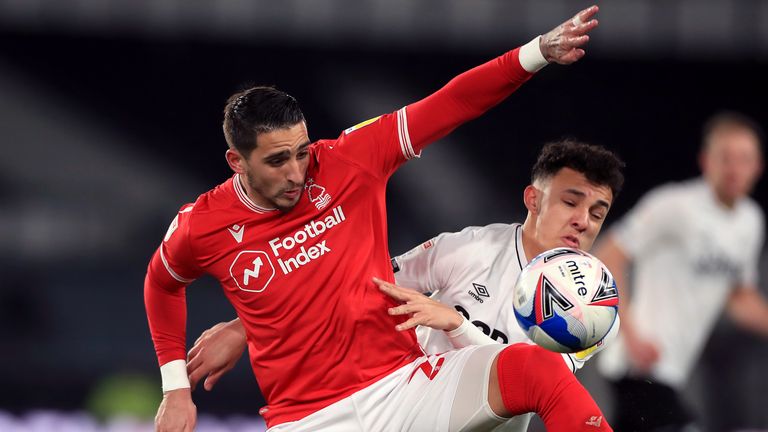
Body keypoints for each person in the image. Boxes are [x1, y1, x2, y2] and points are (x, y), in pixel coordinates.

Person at [145, 6, 612, 431]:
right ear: (236, 161)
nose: (296, 173)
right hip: (308, 418)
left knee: (534, 367)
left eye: (302, 152)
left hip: (404, 387)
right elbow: (162, 284)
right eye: (277, 161)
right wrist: (175, 389)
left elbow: (452, 103)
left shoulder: (351, 158)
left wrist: (537, 52)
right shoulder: (202, 224)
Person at [188, 139, 626, 432]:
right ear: (533, 199)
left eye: (597, 213)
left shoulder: (594, 305)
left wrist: (455, 324)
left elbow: (540, 377)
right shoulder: (470, 249)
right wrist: (244, 328)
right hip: (403, 409)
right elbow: (358, 286)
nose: (582, 221)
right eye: (571, 202)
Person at [594, 112, 768, 431]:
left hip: (673, 371)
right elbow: (608, 254)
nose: (734, 168)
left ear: (758, 166)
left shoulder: (750, 222)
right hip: (636, 364)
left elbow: (739, 299)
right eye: (725, 157)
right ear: (706, 161)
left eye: (744, 159)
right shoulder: (674, 205)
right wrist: (629, 332)